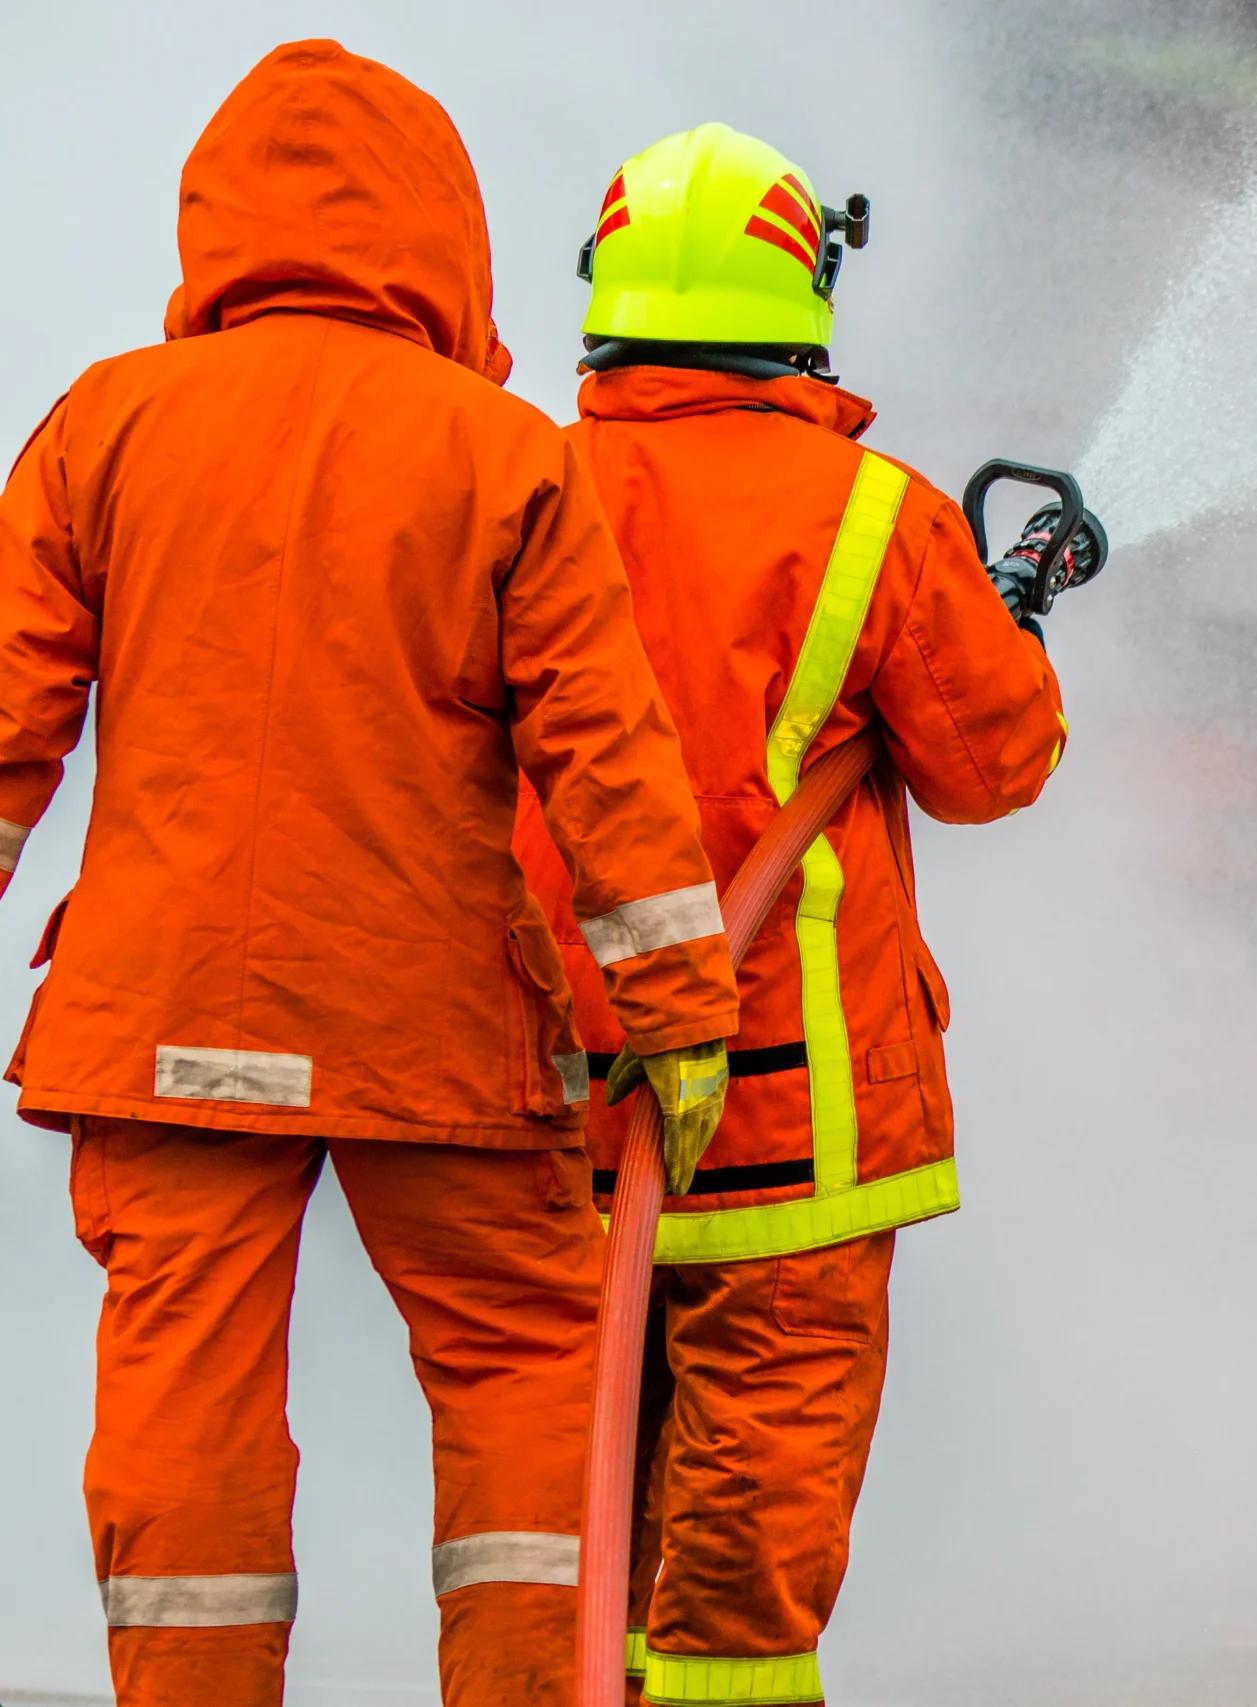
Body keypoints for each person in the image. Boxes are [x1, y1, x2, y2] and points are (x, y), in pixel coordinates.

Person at [0, 42, 741, 1707]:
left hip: (168, 1021)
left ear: (218, 225)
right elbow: (604, 759)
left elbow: (5, 727)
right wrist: (683, 1012)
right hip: (432, 1032)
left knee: (180, 1399)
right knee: (526, 1369)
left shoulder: (102, 425)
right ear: (444, 238)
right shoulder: (502, 452)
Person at [513, 122, 1088, 1706]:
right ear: (802, 285)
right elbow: (995, 762)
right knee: (745, 1548)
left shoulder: (519, 484)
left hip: (563, 1104)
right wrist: (1003, 618)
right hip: (799, 1119)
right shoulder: (870, 515)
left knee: (572, 1509)